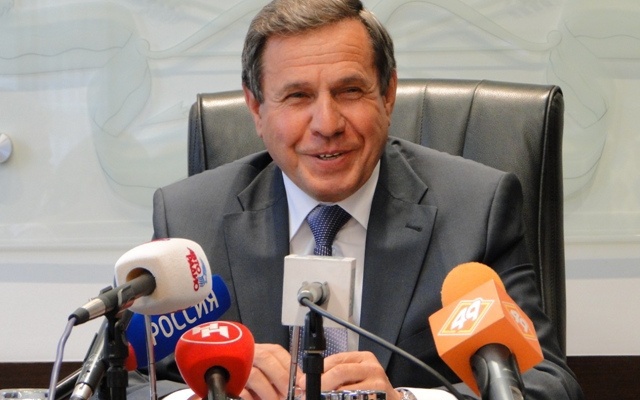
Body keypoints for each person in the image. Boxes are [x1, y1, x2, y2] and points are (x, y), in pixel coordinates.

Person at [147, 0, 584, 399]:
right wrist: (206, 395)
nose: (327, 124)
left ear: (388, 95)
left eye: (350, 91)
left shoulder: (476, 211)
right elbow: (127, 379)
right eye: (298, 96)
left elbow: (548, 384)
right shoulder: (190, 222)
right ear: (256, 109)